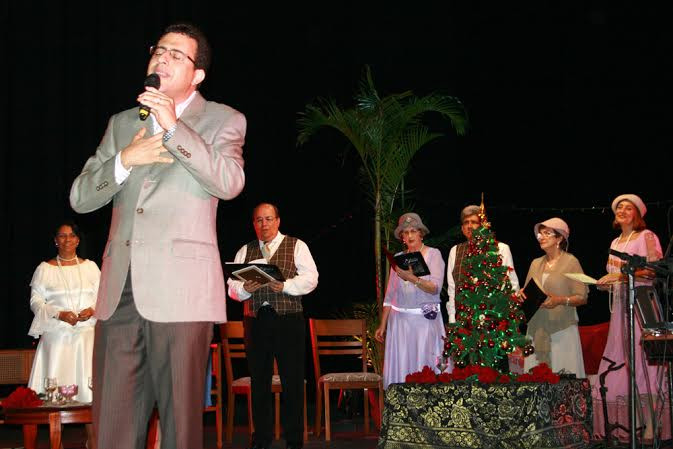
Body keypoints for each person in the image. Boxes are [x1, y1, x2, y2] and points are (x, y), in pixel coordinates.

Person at [69, 23, 246, 449]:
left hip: (182, 295)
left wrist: (173, 128)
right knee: (112, 427)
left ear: (197, 74)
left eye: (176, 55)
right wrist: (124, 161)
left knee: (179, 428)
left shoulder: (223, 119)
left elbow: (229, 182)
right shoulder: (122, 123)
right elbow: (79, 198)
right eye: (158, 51)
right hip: (119, 294)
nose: (162, 59)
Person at [227, 203, 318, 449]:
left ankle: (294, 439)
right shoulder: (244, 250)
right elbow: (231, 288)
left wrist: (286, 285)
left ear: (278, 220)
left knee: (292, 380)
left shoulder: (296, 245)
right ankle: (261, 439)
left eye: (268, 219)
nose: (264, 224)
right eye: (259, 220)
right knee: (259, 381)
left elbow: (312, 278)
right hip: (256, 321)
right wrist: (245, 288)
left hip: (288, 320)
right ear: (254, 224)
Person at [594, 194, 668, 441]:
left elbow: (654, 270)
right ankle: (630, 422)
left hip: (641, 306)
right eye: (619, 208)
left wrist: (622, 278)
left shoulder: (646, 237)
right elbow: (614, 276)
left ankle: (652, 423)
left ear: (638, 214)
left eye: (628, 208)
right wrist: (606, 284)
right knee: (624, 365)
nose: (622, 211)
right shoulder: (616, 241)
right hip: (619, 310)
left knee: (644, 364)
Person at [27, 221, 100, 403]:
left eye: (72, 235)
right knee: (52, 395)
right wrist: (59, 314)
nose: (67, 239)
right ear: (55, 241)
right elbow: (35, 302)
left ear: (78, 240)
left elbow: (103, 298)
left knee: (89, 395)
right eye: (62, 235)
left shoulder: (90, 267)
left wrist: (92, 310)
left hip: (86, 337)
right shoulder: (44, 269)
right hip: (56, 336)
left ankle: (93, 430)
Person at [375, 213, 446, 388]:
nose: (409, 235)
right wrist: (382, 325)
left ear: (421, 233)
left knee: (427, 365)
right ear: (402, 237)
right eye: (405, 233)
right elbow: (390, 296)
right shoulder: (399, 258)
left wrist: (412, 278)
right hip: (400, 323)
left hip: (425, 321)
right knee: (402, 369)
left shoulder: (433, 254)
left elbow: (435, 288)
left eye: (413, 231)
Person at [519, 217, 588, 375]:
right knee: (535, 378)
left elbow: (582, 297)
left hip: (561, 329)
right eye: (540, 234)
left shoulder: (571, 262)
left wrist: (560, 300)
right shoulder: (535, 263)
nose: (541, 237)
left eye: (547, 233)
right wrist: (522, 294)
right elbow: (529, 291)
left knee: (563, 376)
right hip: (536, 328)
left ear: (560, 237)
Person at [446, 205, 519, 323]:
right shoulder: (455, 251)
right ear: (462, 228)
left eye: (474, 222)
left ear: (483, 225)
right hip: (464, 322)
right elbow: (452, 288)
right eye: (466, 223)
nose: (469, 226)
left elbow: (512, 285)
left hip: (494, 321)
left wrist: (509, 317)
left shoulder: (500, 249)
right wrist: (452, 318)